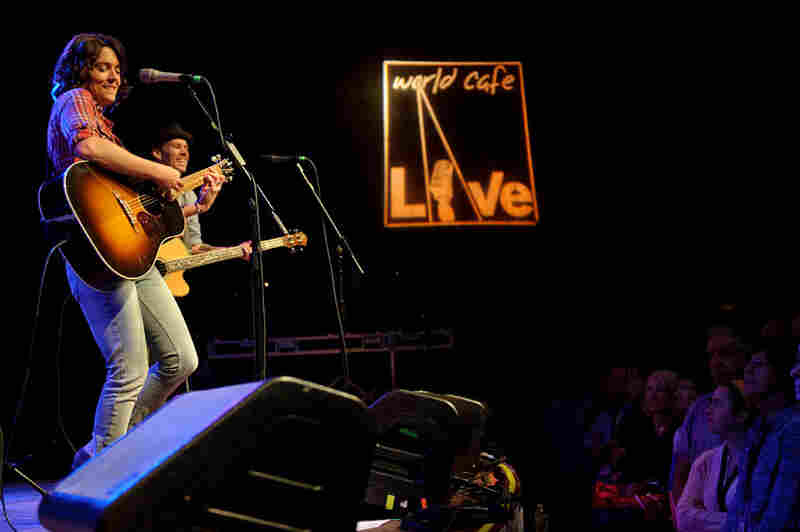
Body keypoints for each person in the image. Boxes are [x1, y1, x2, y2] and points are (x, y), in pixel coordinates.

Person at [46, 34, 219, 468]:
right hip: (98, 254)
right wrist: (159, 171)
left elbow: (134, 207)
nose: (113, 76)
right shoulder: (74, 100)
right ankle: (103, 474)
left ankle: (107, 450)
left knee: (181, 359)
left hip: (132, 253)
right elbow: (87, 146)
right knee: (129, 369)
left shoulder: (109, 127)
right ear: (80, 71)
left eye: (117, 70)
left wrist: (193, 205)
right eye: (102, 67)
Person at [721, 339, 799, 531]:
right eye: (748, 364)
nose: (747, 370)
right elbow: (740, 505)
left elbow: (781, 511)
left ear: (780, 372)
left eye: (758, 365)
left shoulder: (794, 429)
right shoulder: (756, 429)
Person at [671, 325, 751, 503]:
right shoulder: (698, 409)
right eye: (711, 355)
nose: (715, 362)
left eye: (725, 353)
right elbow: (679, 475)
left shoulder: (758, 406)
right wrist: (681, 514)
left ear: (744, 355)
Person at [149, 122, 251, 258]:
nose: (184, 153)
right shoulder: (140, 183)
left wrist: (232, 251)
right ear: (157, 153)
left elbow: (194, 248)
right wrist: (198, 208)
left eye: (186, 148)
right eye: (177, 147)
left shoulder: (188, 194)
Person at [675, 381, 751, 532]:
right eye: (710, 403)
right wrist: (735, 521)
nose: (708, 410)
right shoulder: (706, 460)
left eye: (717, 404)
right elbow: (683, 518)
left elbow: (757, 523)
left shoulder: (762, 459)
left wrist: (702, 516)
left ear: (741, 414)